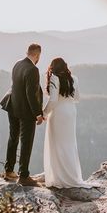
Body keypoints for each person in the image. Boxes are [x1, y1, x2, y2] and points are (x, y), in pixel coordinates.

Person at [43, 57, 89, 188]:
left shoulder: (54, 78)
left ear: (53, 67)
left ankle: (59, 176)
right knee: (69, 143)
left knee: (57, 144)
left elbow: (53, 101)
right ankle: (72, 175)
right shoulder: (74, 78)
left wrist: (44, 114)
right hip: (71, 112)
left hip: (58, 113)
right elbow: (77, 98)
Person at [2, 43, 44, 187]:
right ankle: (24, 176)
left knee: (13, 137)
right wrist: (38, 113)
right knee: (26, 142)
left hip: (12, 106)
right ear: (38, 55)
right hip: (25, 111)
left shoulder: (17, 64)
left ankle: (8, 170)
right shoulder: (33, 70)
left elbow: (15, 86)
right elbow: (31, 94)